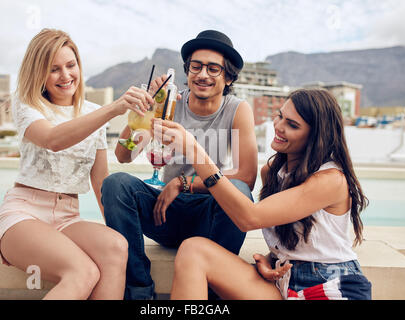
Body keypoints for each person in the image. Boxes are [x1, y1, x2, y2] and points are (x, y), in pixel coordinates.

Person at [155, 88, 372, 300]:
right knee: (194, 250)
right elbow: (298, 240)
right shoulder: (273, 173)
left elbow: (249, 218)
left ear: (316, 136)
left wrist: (195, 152)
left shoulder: (330, 180)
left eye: (292, 125)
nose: (279, 126)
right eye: (280, 116)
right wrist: (271, 259)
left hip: (330, 285)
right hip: (282, 281)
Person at [0, 28, 154, 300]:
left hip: (68, 217)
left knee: (116, 247)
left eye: (71, 65)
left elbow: (101, 180)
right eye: (53, 69)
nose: (66, 75)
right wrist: (113, 109)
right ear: (39, 73)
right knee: (84, 272)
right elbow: (53, 139)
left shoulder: (93, 112)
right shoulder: (26, 102)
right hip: (25, 213)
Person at [101, 30, 258, 299]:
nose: (202, 74)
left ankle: (212, 292)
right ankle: (139, 288)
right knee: (115, 184)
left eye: (213, 68)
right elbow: (123, 155)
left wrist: (184, 183)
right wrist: (142, 111)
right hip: (166, 212)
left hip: (207, 215)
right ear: (187, 70)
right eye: (196, 66)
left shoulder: (237, 109)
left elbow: (247, 176)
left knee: (240, 191)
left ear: (228, 77)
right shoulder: (170, 101)